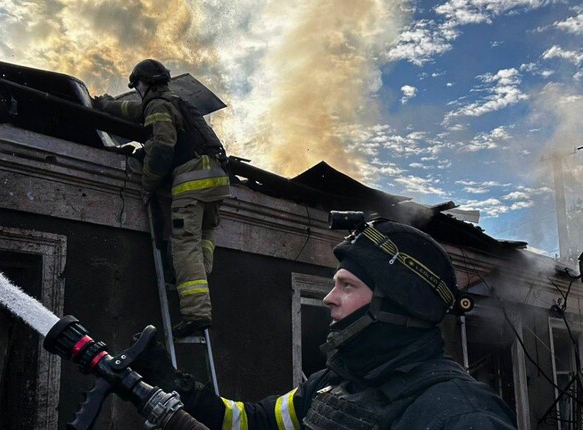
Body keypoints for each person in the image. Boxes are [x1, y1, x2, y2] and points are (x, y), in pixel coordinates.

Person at [133, 217, 517, 429]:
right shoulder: (333, 382)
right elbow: (256, 423)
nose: (329, 298)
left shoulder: (462, 416)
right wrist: (174, 383)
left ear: (399, 306)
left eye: (347, 286)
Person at [93, 59, 231, 338]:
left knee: (185, 246)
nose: (137, 91)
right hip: (218, 179)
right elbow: (134, 111)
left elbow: (163, 147)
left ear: (144, 83)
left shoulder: (158, 106)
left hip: (192, 179)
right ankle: (195, 280)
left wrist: (148, 183)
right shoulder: (176, 101)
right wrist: (106, 105)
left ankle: (196, 314)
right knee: (203, 237)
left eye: (137, 86)